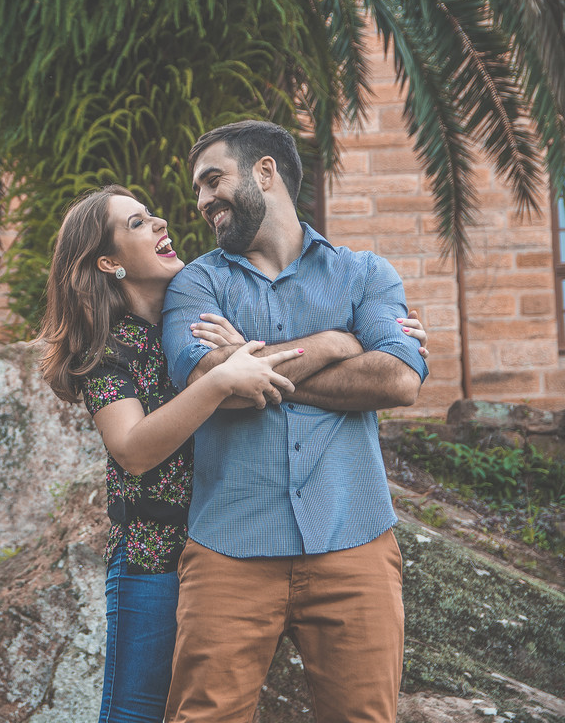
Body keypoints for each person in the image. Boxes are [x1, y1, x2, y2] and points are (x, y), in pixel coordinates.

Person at [36, 185, 426, 723]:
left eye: (151, 215)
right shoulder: (107, 350)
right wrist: (326, 347)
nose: (159, 223)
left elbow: (279, 365)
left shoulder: (205, 310)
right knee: (137, 714)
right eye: (136, 224)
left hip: (231, 541)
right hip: (155, 556)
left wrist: (365, 343)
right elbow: (132, 450)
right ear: (108, 262)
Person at [160, 120, 429, 723]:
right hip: (229, 549)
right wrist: (338, 342)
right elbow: (209, 386)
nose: (201, 202)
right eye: (198, 189)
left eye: (212, 180)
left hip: (354, 541)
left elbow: (399, 381)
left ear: (264, 172)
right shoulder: (194, 283)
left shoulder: (366, 273)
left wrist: (251, 364)